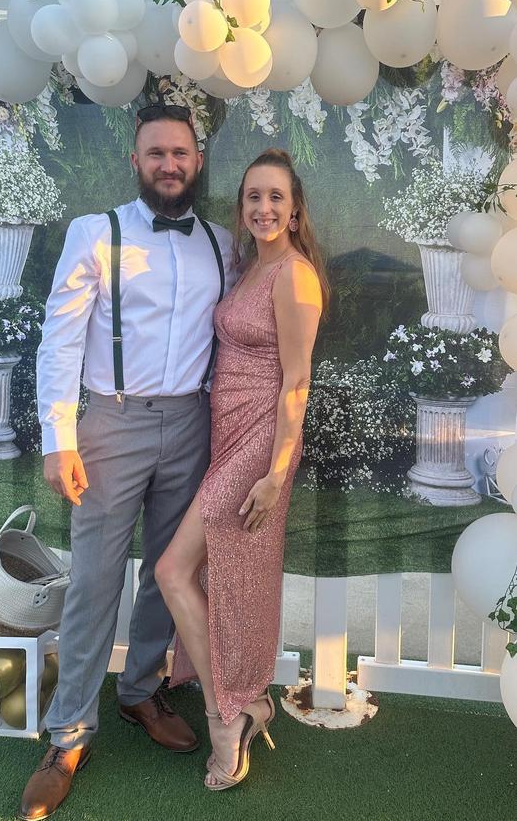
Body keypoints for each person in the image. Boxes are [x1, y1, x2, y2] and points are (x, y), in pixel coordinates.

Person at [18, 104, 237, 821]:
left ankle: (141, 689)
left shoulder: (221, 243)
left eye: (180, 152)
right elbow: (59, 341)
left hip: (192, 419)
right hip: (111, 420)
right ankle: (69, 731)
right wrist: (60, 438)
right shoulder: (96, 233)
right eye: (155, 153)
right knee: (94, 578)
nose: (168, 164)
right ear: (136, 161)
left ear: (196, 162)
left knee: (167, 576)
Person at [155, 148, 328, 791]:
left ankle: (224, 717)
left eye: (275, 197)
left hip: (260, 448)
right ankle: (247, 702)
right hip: (224, 438)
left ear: (295, 206)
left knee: (174, 570)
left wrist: (277, 471)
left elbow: (296, 382)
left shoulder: (295, 276)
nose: (263, 208)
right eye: (253, 197)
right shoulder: (249, 267)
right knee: (224, 579)